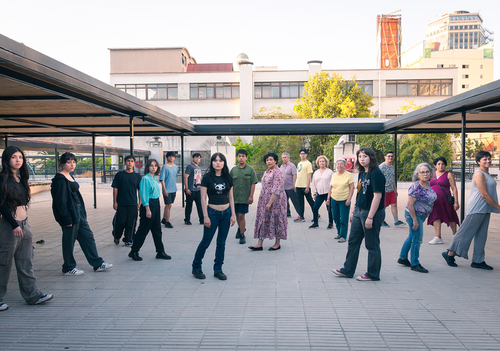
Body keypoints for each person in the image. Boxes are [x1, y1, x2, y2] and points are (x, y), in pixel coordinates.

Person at [0, 146, 53, 312]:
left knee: (26, 262)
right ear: (7, 159)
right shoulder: (1, 179)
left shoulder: (21, 179)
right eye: (14, 157)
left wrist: (22, 224)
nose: (18, 160)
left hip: (25, 224)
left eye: (20, 157)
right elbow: (1, 206)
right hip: (10, 226)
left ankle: (33, 296)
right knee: (4, 264)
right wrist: (14, 224)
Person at [51, 152, 113, 275]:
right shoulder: (60, 180)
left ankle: (97, 263)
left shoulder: (70, 176)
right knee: (69, 241)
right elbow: (60, 202)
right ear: (62, 164)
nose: (72, 164)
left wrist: (82, 213)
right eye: (69, 162)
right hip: (70, 215)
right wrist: (66, 219)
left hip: (78, 213)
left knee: (88, 237)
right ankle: (68, 267)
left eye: (73, 162)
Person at [332, 147, 385, 281]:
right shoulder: (362, 173)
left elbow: (377, 197)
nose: (362, 159)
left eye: (365, 156)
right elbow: (360, 192)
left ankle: (373, 274)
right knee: (353, 241)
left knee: (371, 244)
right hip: (358, 211)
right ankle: (348, 270)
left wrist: (370, 217)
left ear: (371, 158)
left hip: (371, 213)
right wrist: (354, 210)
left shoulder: (376, 173)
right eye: (360, 156)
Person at [442, 151, 500, 270]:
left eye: (489, 158)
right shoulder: (479, 174)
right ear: (478, 162)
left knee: (481, 235)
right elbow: (484, 194)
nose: (488, 161)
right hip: (476, 208)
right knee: (465, 233)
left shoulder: (487, 173)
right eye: (484, 159)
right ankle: (449, 254)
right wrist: (498, 206)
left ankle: (478, 260)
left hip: (485, 209)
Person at [192, 153, 236, 280]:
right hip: (212, 213)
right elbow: (203, 198)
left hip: (226, 214)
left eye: (220, 160)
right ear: (212, 163)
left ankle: (218, 269)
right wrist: (205, 216)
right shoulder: (206, 178)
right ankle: (196, 267)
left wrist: (233, 214)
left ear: (224, 163)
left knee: (221, 243)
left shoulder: (228, 177)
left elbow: (231, 197)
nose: (218, 163)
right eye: (215, 160)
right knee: (206, 242)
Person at [128, 159, 172, 261]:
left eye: (155, 166)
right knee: (143, 230)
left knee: (157, 230)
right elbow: (144, 195)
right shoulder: (145, 179)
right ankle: (134, 251)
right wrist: (147, 209)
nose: (154, 167)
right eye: (151, 166)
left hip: (156, 204)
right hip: (148, 205)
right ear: (148, 167)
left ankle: (160, 252)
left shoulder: (153, 178)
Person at [398, 163, 437, 273]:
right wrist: (415, 219)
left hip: (420, 215)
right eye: (422, 172)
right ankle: (415, 263)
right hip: (413, 215)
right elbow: (410, 204)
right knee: (417, 239)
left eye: (427, 172)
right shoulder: (416, 186)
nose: (425, 174)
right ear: (417, 174)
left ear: (430, 173)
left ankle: (402, 258)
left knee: (412, 236)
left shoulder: (428, 184)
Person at [249, 152, 287, 251]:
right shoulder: (267, 171)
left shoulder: (278, 172)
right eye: (267, 160)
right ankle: (259, 243)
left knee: (276, 219)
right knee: (262, 218)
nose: (268, 162)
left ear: (275, 161)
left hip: (276, 201)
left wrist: (270, 203)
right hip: (264, 199)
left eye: (271, 159)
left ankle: (277, 243)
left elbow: (276, 189)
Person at [427, 157, 460, 245]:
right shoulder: (431, 174)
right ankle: (438, 237)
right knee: (436, 217)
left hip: (446, 199)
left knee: (451, 216)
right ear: (435, 165)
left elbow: (454, 188)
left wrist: (456, 202)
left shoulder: (449, 174)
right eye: (439, 164)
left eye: (443, 164)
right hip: (434, 201)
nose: (441, 166)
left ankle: (455, 235)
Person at [112, 155, 142, 246]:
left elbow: (140, 190)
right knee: (120, 222)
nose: (130, 162)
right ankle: (116, 235)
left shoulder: (137, 176)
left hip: (133, 203)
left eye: (132, 161)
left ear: (134, 163)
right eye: (128, 161)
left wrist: (140, 202)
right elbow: (115, 188)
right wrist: (115, 202)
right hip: (121, 203)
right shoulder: (119, 175)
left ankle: (128, 239)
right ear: (125, 163)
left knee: (131, 223)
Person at [230, 149, 258, 245]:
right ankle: (240, 228)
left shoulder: (250, 169)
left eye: (243, 156)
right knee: (237, 215)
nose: (241, 158)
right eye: (239, 156)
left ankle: (242, 234)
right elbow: (230, 184)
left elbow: (253, 182)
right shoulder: (233, 170)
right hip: (235, 197)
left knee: (241, 215)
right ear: (237, 157)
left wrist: (251, 196)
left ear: (246, 157)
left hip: (245, 197)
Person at [327, 158, 355, 243]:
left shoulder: (348, 175)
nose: (339, 165)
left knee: (343, 218)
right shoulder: (334, 175)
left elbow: (352, 187)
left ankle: (343, 236)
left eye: (341, 164)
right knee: (335, 217)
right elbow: (330, 187)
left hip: (344, 200)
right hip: (334, 199)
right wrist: (328, 198)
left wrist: (349, 199)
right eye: (338, 164)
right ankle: (339, 233)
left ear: (345, 165)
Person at [379, 151, 405, 228]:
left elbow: (393, 178)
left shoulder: (392, 167)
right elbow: (378, 178)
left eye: (392, 156)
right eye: (389, 156)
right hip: (384, 189)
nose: (390, 158)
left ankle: (396, 221)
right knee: (384, 206)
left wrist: (395, 189)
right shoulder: (381, 167)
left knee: (394, 205)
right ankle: (381, 220)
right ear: (385, 157)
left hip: (391, 190)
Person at [309, 155, 334, 229]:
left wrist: (331, 194)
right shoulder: (316, 173)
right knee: (315, 207)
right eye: (320, 161)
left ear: (326, 162)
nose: (322, 163)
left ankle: (330, 223)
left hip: (328, 193)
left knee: (329, 208)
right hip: (319, 193)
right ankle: (315, 223)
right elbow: (313, 183)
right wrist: (314, 193)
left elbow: (333, 183)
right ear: (318, 163)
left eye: (323, 161)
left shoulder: (330, 172)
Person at [294, 148, 314, 222]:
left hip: (305, 186)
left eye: (304, 154)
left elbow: (309, 176)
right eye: (301, 154)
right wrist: (296, 185)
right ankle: (301, 216)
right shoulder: (299, 163)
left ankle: (316, 215)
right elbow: (298, 175)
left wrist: (308, 186)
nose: (302, 155)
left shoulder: (308, 163)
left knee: (310, 201)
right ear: (299, 155)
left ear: (306, 154)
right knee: (300, 202)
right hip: (298, 185)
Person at [159, 151, 178, 228]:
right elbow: (162, 179)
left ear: (174, 157)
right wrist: (164, 189)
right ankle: (167, 221)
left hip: (174, 189)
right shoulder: (164, 167)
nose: (171, 157)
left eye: (172, 156)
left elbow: (175, 177)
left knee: (168, 205)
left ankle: (164, 218)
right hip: (167, 190)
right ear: (167, 157)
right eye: (169, 156)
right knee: (168, 205)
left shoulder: (176, 167)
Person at [184, 153, 203, 225]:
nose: (197, 159)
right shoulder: (190, 166)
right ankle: (187, 219)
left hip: (198, 190)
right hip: (190, 190)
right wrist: (187, 188)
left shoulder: (198, 167)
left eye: (199, 158)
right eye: (196, 157)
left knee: (199, 205)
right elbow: (185, 177)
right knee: (189, 205)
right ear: (193, 158)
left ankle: (201, 220)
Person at [280, 152, 300, 218]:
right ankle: (287, 213)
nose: (284, 159)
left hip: (291, 187)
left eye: (285, 157)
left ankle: (300, 214)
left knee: (295, 201)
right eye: (283, 157)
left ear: (288, 158)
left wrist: (294, 185)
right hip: (283, 187)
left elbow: (294, 175)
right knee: (285, 201)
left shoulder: (292, 166)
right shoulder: (281, 166)